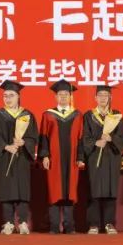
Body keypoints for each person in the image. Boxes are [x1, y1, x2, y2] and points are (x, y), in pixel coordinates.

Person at [0, 80, 39, 235]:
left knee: (22, 190)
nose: (8, 98)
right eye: (5, 96)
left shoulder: (27, 115)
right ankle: (8, 222)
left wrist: (24, 142)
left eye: (11, 95)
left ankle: (23, 222)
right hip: (4, 156)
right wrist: (5, 146)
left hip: (22, 157)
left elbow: (33, 136)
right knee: (6, 190)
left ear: (18, 97)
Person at [80, 85, 123, 235]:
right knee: (93, 190)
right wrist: (95, 142)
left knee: (110, 191)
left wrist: (112, 138)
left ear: (110, 98)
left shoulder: (116, 115)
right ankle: (93, 224)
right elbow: (84, 136)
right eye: (100, 95)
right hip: (94, 157)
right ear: (95, 98)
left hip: (112, 157)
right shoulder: (88, 116)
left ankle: (109, 223)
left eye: (105, 95)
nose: (102, 98)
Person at [39, 79, 84, 234]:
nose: (63, 97)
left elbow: (81, 138)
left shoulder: (78, 115)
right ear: (55, 97)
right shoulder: (48, 115)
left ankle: (69, 226)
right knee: (54, 189)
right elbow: (43, 137)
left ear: (70, 96)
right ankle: (54, 226)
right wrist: (45, 155)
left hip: (72, 159)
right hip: (54, 159)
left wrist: (80, 157)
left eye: (66, 94)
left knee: (70, 190)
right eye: (60, 94)